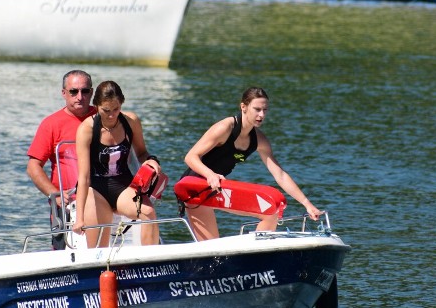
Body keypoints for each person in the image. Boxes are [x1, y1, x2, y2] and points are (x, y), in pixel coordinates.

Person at [180, 87, 321, 241]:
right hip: (194, 188)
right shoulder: (225, 128)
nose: (261, 115)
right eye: (257, 109)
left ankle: (258, 254)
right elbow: (191, 157)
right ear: (243, 107)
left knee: (270, 211)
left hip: (219, 187)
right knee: (211, 249)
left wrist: (307, 204)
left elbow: (280, 175)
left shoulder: (259, 140)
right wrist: (210, 175)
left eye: (265, 110)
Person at [73, 81, 162, 248]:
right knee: (98, 247)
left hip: (123, 185)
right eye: (106, 110)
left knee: (148, 213)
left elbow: (142, 153)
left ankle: (149, 264)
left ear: (121, 103)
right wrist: (79, 219)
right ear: (96, 105)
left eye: (116, 109)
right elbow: (83, 177)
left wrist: (151, 161)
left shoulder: (131, 121)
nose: (112, 115)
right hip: (96, 188)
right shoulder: (87, 129)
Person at [27, 70, 96, 249]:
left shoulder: (104, 118)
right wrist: (54, 193)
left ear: (92, 92)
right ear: (64, 93)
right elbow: (33, 166)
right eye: (73, 91)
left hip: (100, 199)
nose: (79, 96)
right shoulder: (51, 124)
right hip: (65, 206)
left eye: (85, 91)